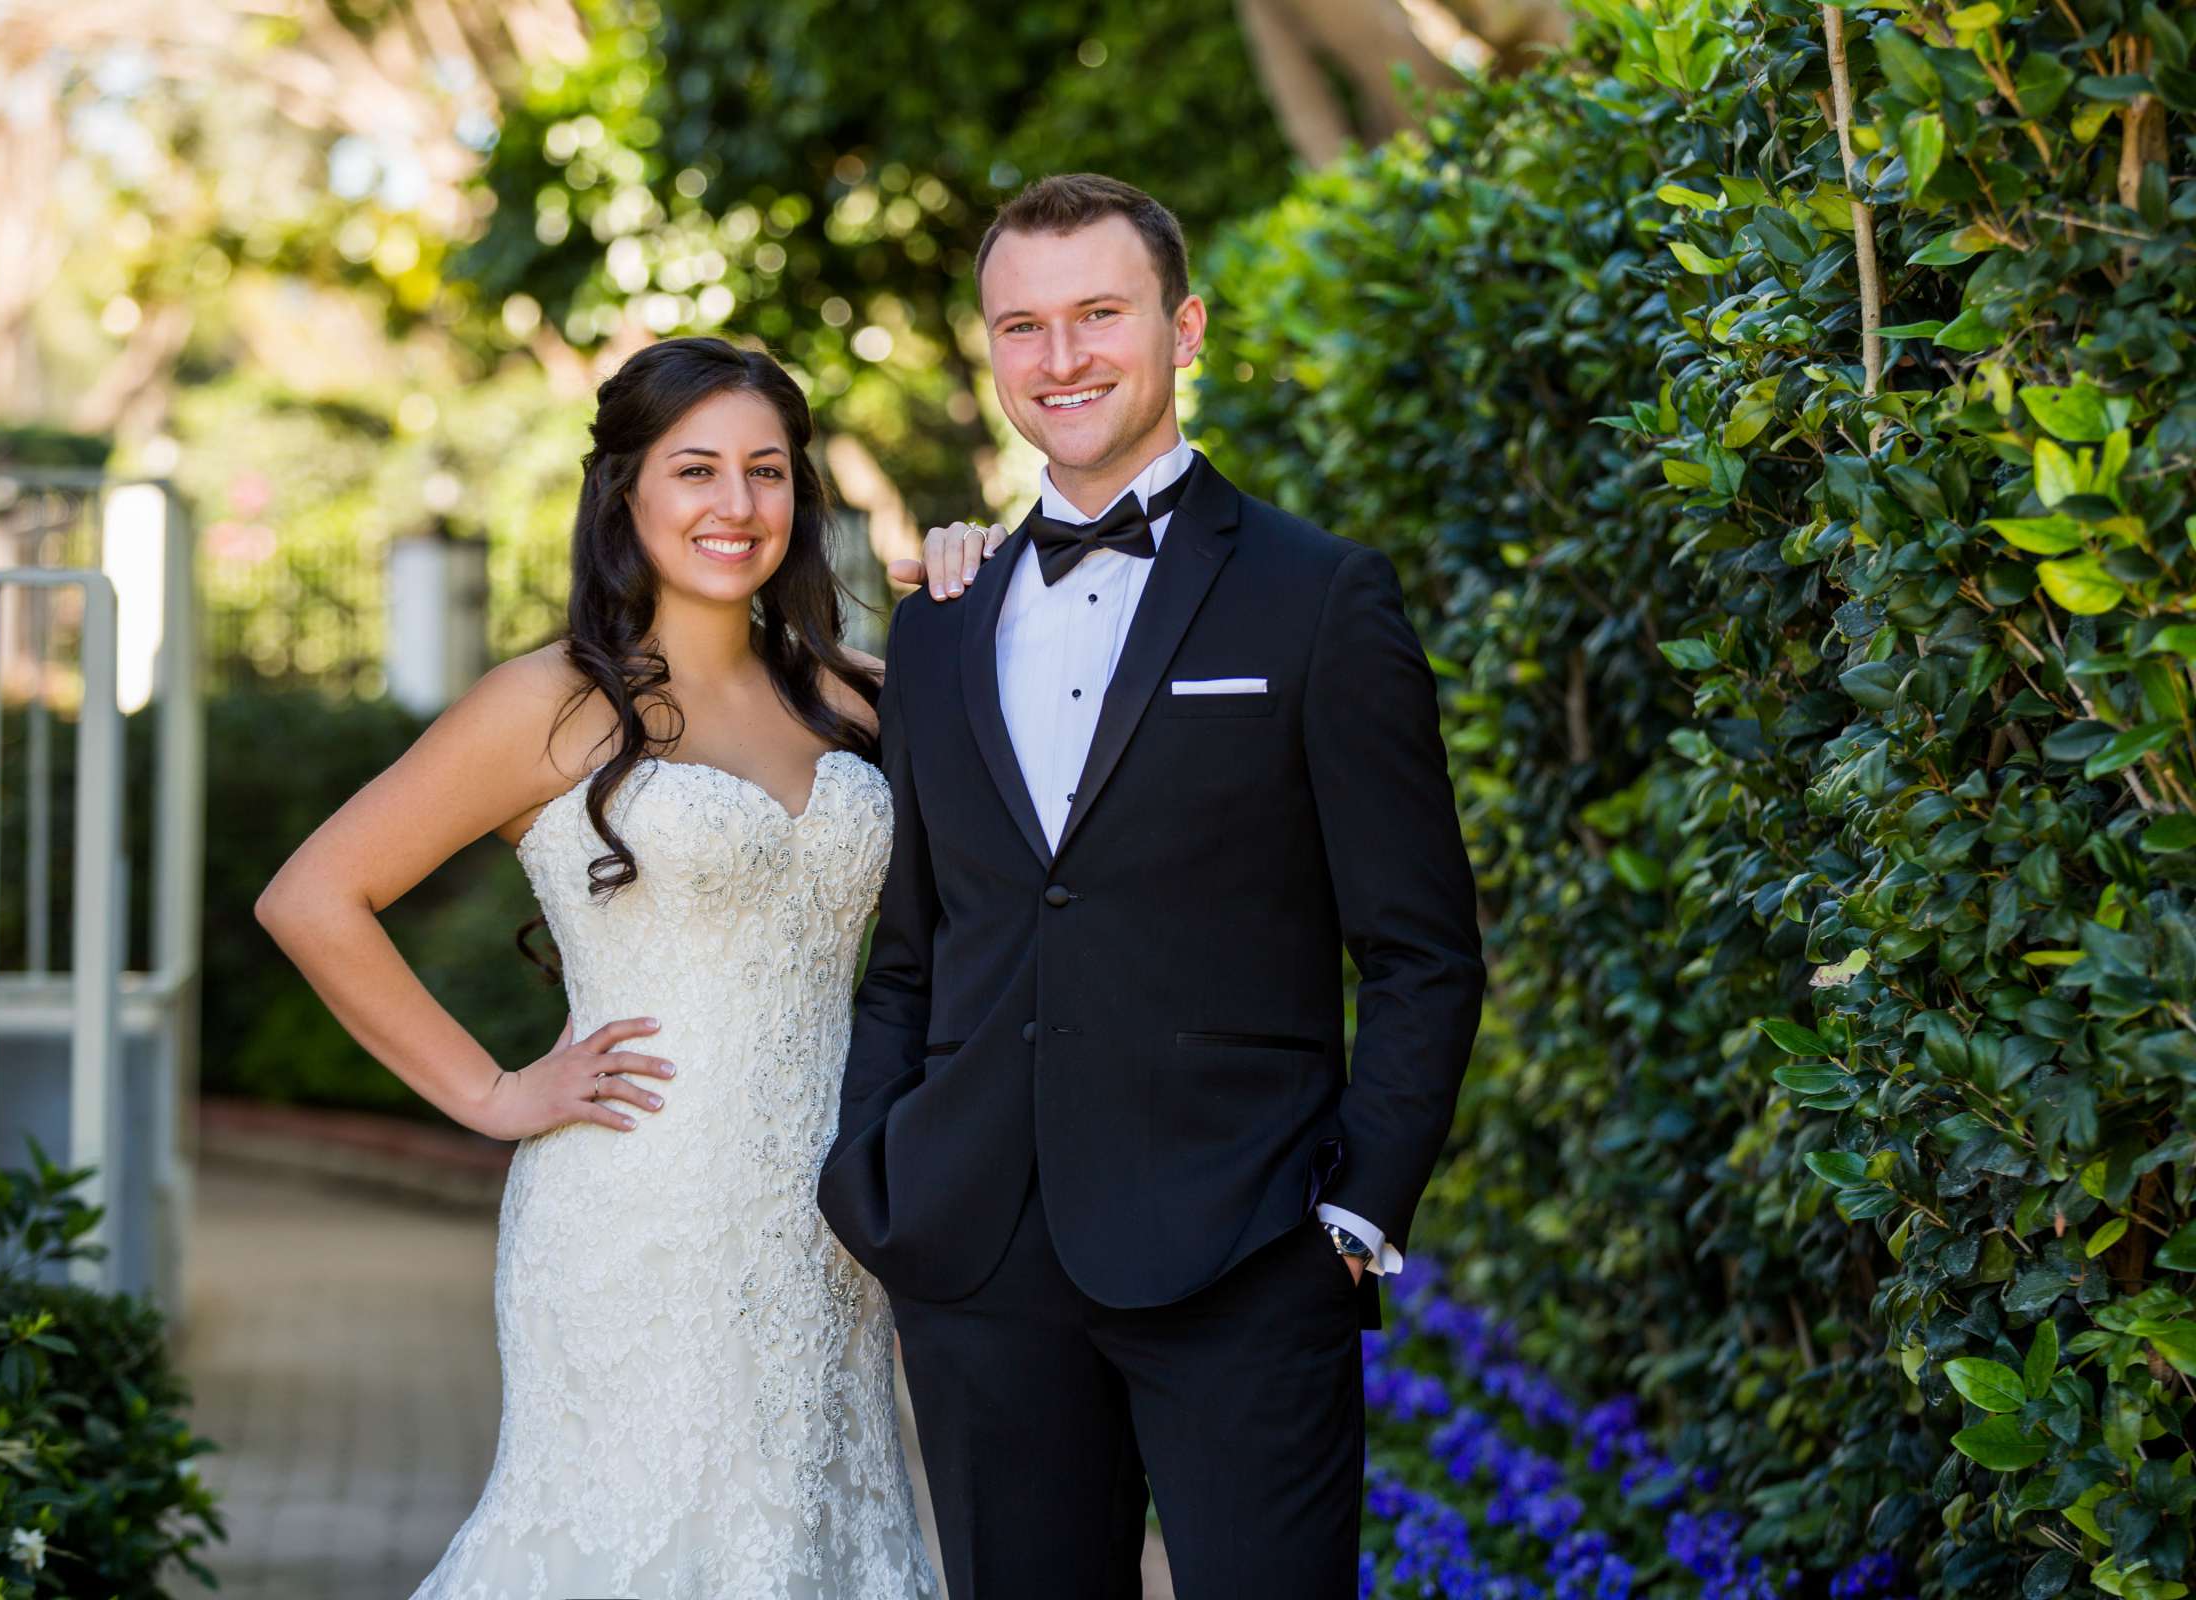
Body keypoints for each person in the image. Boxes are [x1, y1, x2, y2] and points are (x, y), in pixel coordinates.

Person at [817, 173, 1486, 1600]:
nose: (1061, 360)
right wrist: (875, 1173)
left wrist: (1353, 1222)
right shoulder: (941, 628)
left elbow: (1422, 949)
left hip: (1244, 1257)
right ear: (990, 352)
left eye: (1098, 315)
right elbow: (917, 947)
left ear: (1184, 328)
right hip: (979, 1259)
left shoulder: (1319, 598)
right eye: (1023, 326)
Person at [254, 335, 939, 1600]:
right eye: (696, 470)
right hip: (635, 1216)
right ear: (626, 491)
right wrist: (493, 1091)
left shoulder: (856, 699)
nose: (736, 506)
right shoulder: (550, 704)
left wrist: (977, 588)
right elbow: (313, 896)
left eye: (768, 471)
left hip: (827, 1228)